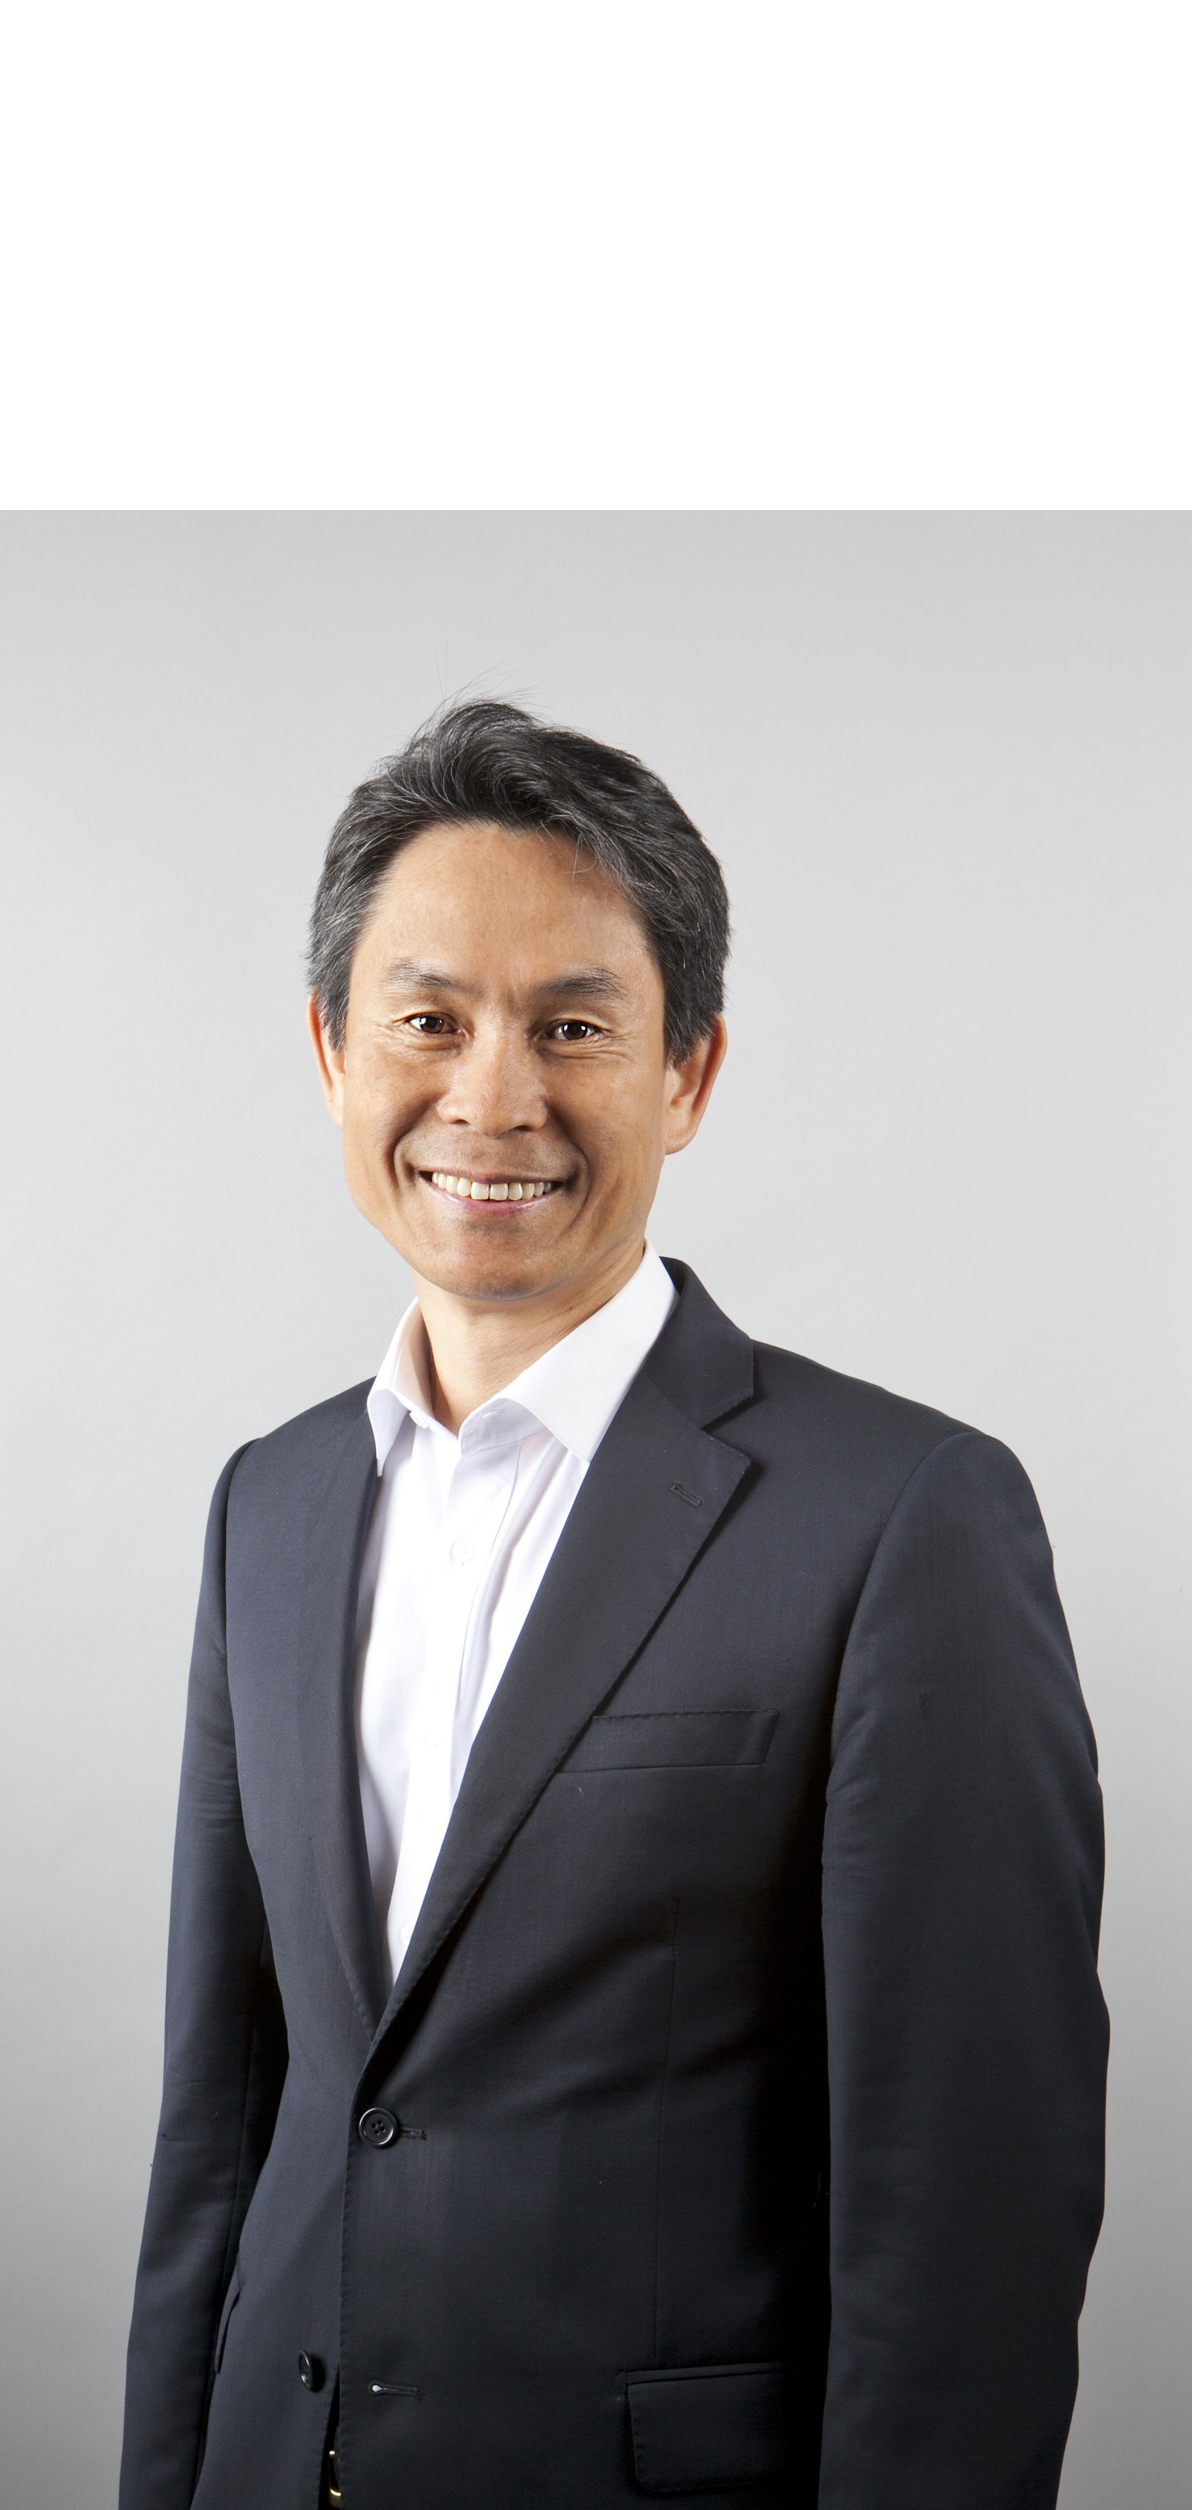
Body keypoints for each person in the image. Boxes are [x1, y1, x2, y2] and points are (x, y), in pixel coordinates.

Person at [119, 700, 1108, 2510]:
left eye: (572, 1027)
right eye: (428, 1020)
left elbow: (965, 2206)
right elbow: (221, 2126)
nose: (492, 1097)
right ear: (331, 1052)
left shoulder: (902, 1517)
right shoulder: (270, 1504)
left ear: (687, 1074)